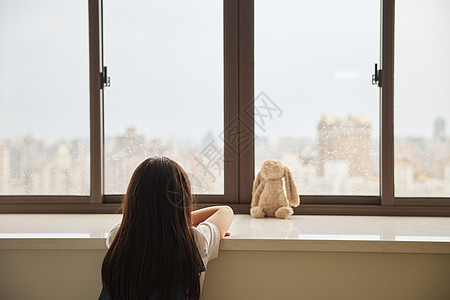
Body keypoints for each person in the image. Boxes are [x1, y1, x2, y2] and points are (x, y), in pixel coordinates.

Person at [99, 156, 234, 300]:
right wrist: (177, 219)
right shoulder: (196, 241)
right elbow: (225, 211)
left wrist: (167, 219)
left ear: (133, 198)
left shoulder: (118, 236)